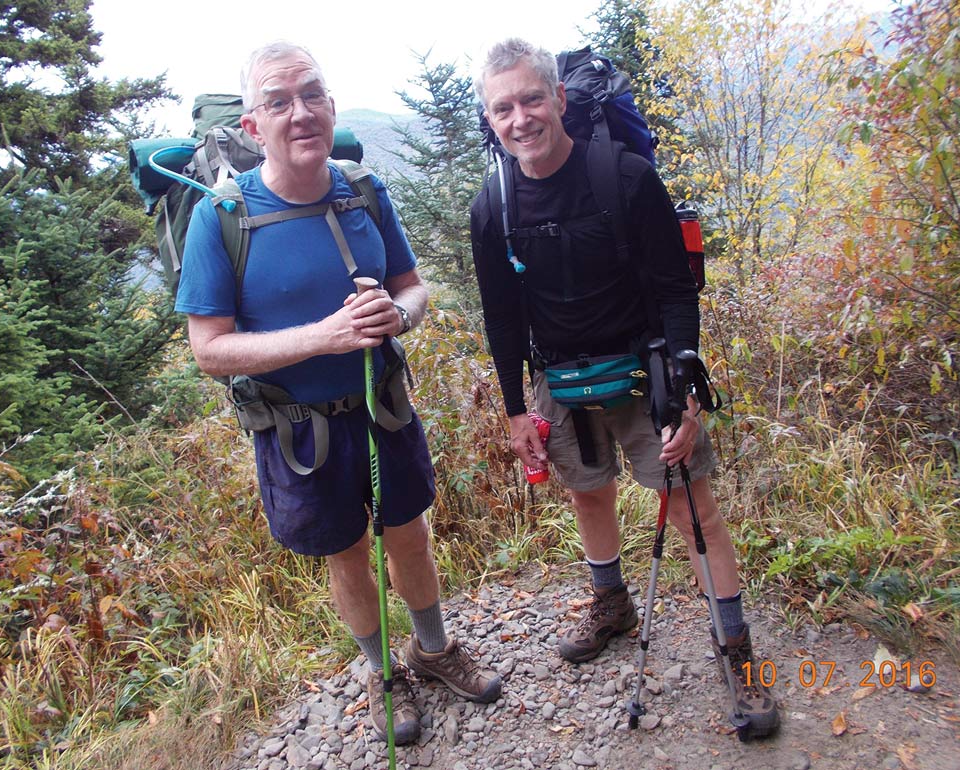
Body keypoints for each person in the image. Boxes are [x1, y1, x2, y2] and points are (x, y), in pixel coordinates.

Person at [175, 41, 501, 745]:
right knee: (346, 552)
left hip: (382, 405)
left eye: (312, 95)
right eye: (278, 101)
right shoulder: (222, 218)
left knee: (410, 532)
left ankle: (434, 649)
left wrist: (399, 314)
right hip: (298, 431)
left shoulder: (365, 192)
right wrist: (320, 337)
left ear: (330, 106)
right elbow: (208, 349)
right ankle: (385, 674)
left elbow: (414, 290)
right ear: (253, 127)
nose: (300, 113)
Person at [470, 37, 778, 738]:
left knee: (692, 510)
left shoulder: (626, 177)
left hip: (643, 373)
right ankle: (612, 604)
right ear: (491, 119)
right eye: (504, 107)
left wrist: (687, 390)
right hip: (559, 380)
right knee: (587, 494)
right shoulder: (492, 206)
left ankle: (740, 656)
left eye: (531, 99)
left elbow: (675, 292)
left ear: (560, 100)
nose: (520, 118)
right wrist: (516, 409)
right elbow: (501, 314)